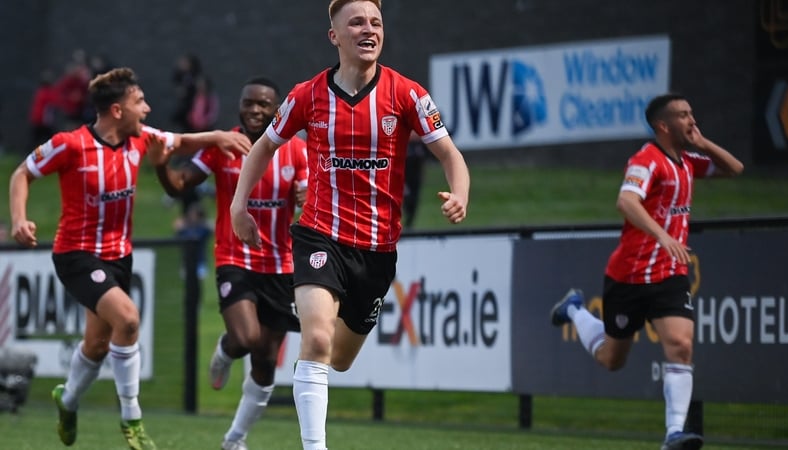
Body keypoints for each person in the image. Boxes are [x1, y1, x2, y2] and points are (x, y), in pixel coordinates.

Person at [229, 2, 470, 449]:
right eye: (356, 22)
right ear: (334, 36)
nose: (368, 29)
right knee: (317, 339)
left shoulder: (407, 94)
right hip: (320, 234)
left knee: (339, 359)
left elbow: (450, 154)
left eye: (375, 22)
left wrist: (460, 193)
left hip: (376, 252)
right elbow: (263, 148)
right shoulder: (307, 95)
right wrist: (238, 206)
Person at [8, 67, 251, 450]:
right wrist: (19, 220)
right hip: (77, 255)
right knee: (129, 319)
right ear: (117, 110)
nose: (148, 108)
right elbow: (22, 174)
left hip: (119, 258)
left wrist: (218, 136)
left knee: (97, 344)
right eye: (140, 102)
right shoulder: (70, 144)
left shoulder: (141, 139)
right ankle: (132, 419)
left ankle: (67, 400)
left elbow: (181, 142)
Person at [549, 93, 744, 450]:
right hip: (629, 275)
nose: (691, 120)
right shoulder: (646, 159)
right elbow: (626, 201)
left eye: (692, 113)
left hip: (670, 273)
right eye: (683, 115)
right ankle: (574, 309)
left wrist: (703, 144)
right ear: (663, 126)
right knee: (612, 359)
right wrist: (663, 235)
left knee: (681, 345)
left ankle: (673, 434)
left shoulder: (688, 162)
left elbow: (735, 169)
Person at [147, 76, 308, 450]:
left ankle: (234, 439)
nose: (254, 110)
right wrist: (161, 166)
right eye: (248, 102)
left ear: (277, 109)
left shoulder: (296, 150)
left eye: (263, 104)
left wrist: (306, 194)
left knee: (266, 360)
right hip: (234, 258)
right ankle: (226, 349)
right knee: (247, 338)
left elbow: (307, 195)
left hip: (280, 266)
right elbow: (179, 185)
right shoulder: (224, 146)